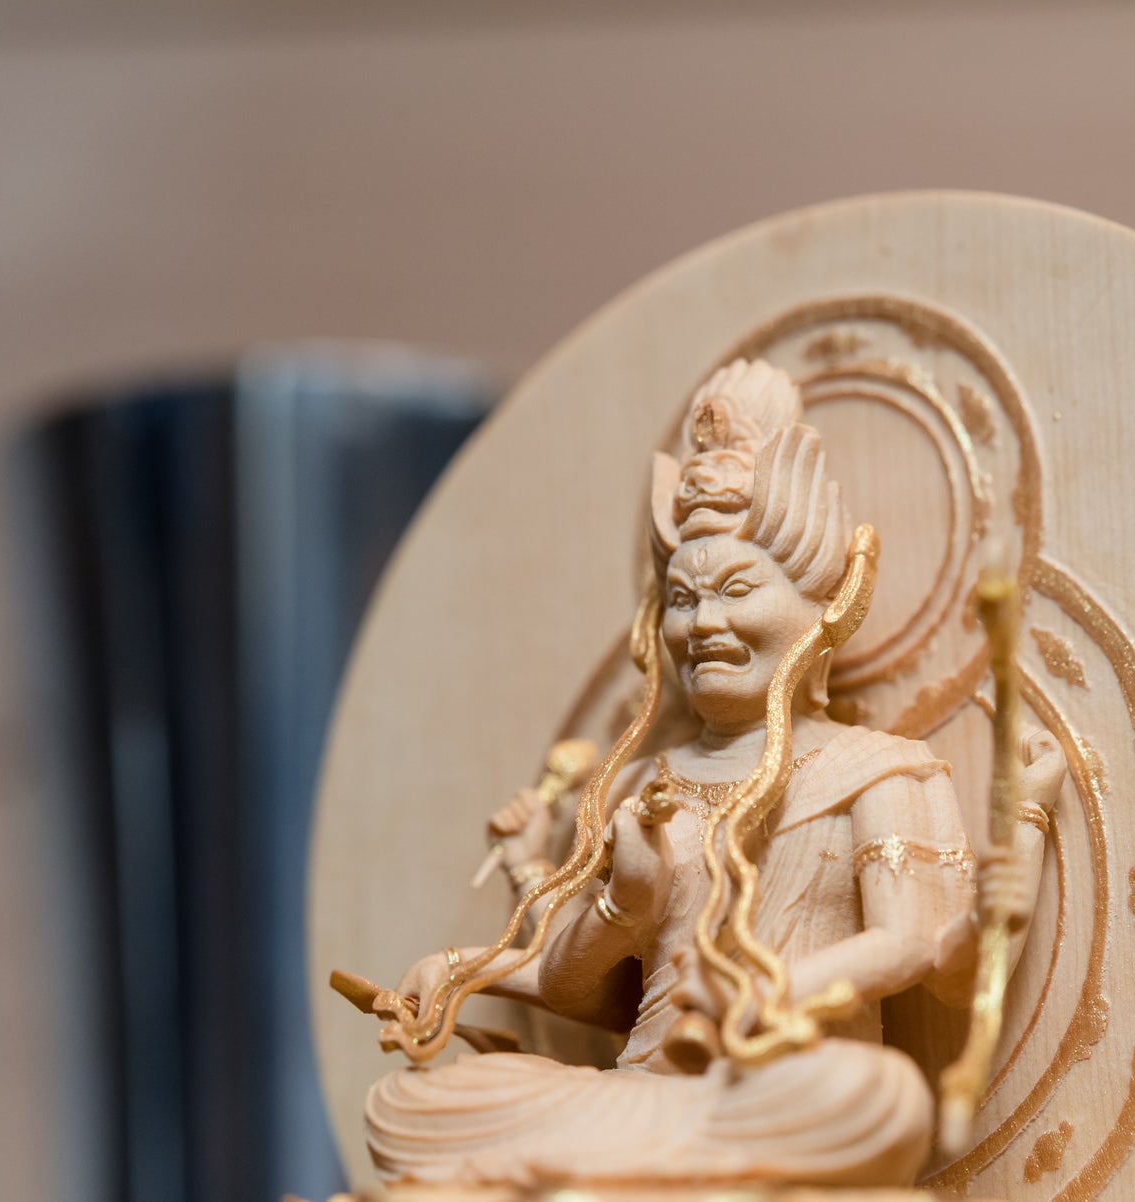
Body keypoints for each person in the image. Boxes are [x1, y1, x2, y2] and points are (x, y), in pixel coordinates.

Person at [364, 359, 1063, 1189]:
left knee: (883, 1098)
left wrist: (1010, 860)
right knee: (409, 1105)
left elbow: (927, 953)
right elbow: (578, 989)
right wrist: (472, 963)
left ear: (827, 605)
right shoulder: (639, 783)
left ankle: (586, 1177)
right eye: (683, 599)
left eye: (736, 589)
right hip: (645, 1091)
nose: (705, 624)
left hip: (784, 1090)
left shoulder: (879, 770)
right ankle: (619, 1169)